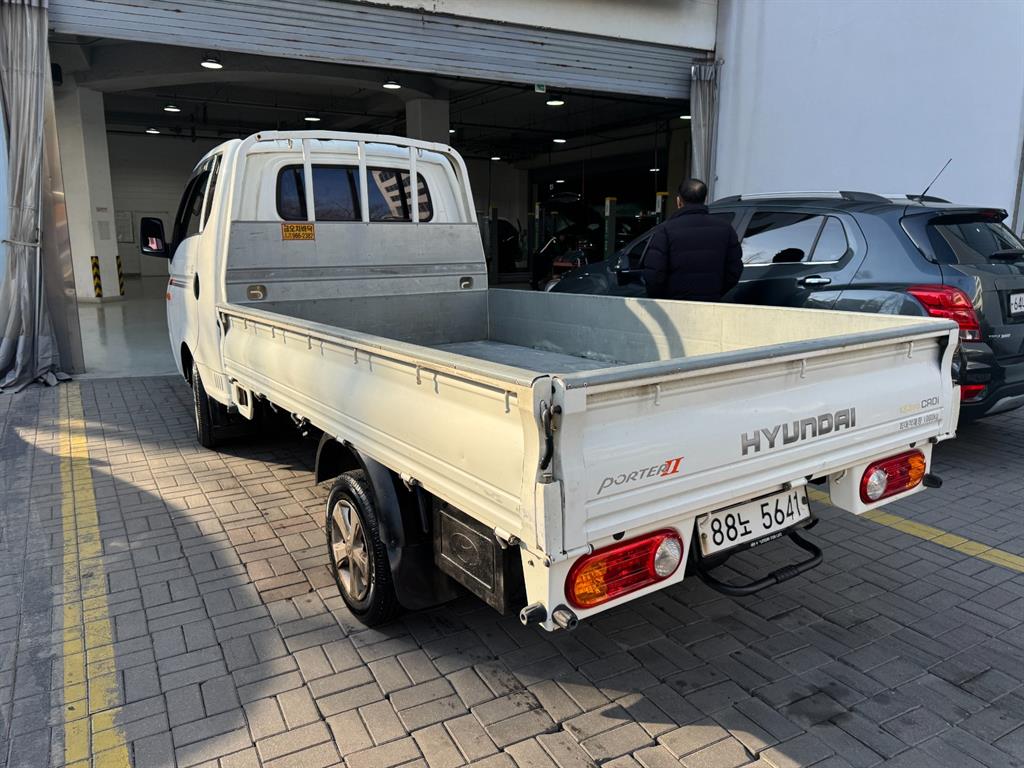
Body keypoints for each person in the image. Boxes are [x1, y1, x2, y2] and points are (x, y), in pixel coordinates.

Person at [643, 178, 743, 301]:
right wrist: (715, 291)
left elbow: (654, 274)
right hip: (711, 302)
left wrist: (666, 298)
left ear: (679, 201)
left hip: (675, 304)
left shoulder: (665, 230)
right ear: (705, 199)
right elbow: (734, 270)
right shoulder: (726, 229)